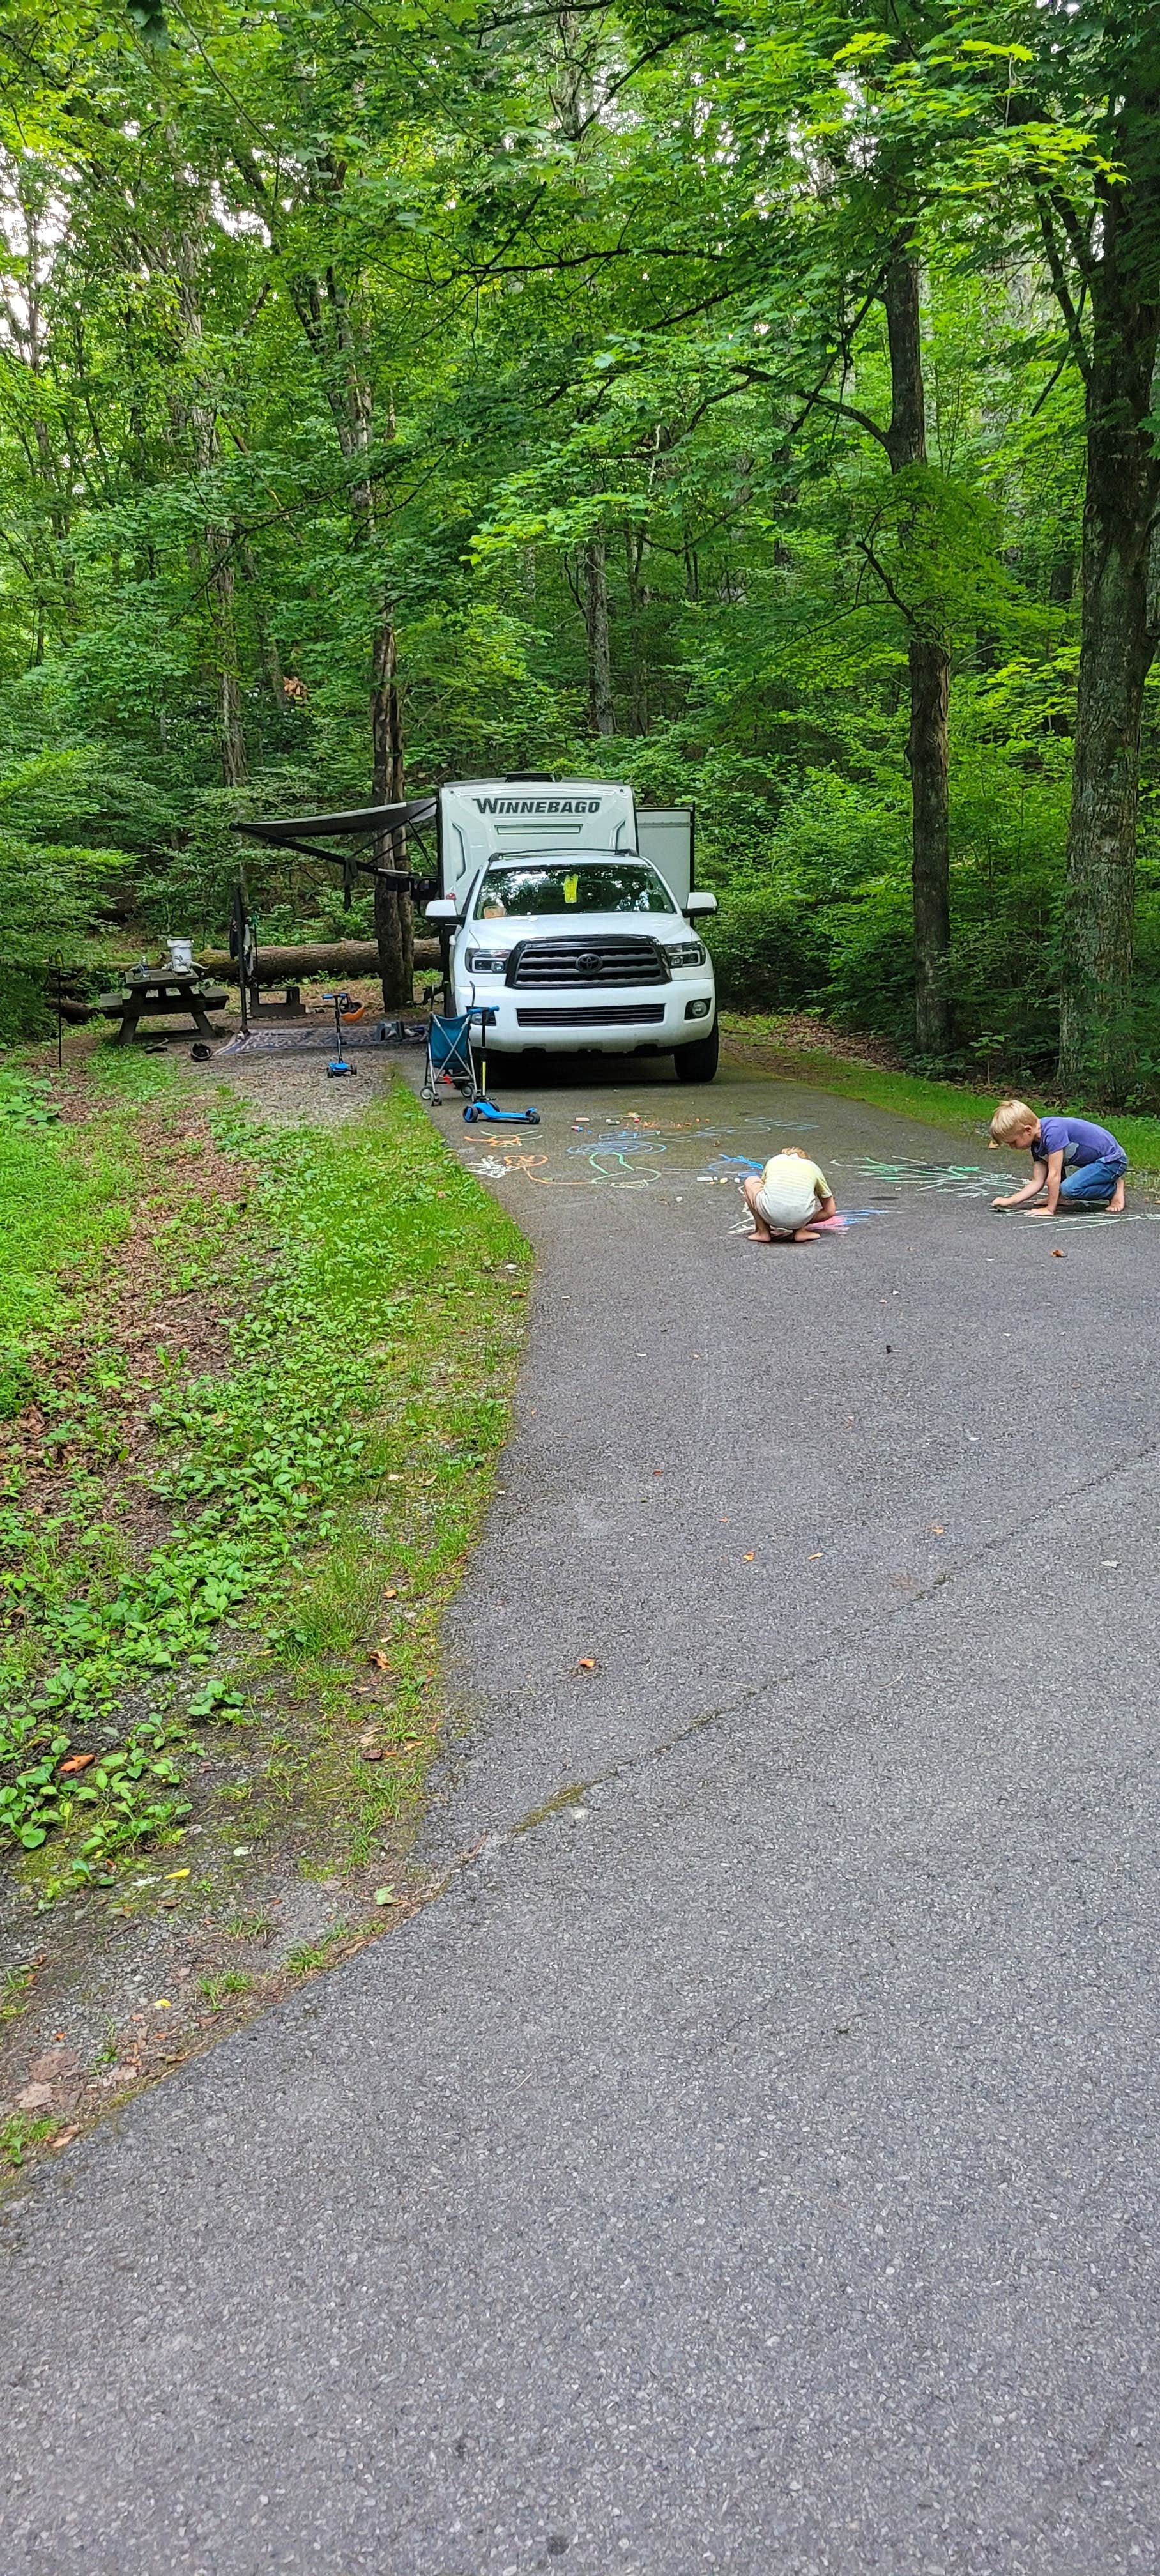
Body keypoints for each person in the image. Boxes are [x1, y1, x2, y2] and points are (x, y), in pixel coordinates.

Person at [989, 1098, 1127, 1215]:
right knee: (1060, 1182)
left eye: (1013, 1142)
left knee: (1069, 1189)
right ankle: (1060, 1197)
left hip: (1113, 1161)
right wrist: (1010, 1201)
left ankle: (1113, 1189)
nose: (1013, 1147)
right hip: (1096, 1163)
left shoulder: (1053, 1132)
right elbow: (1037, 1181)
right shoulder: (1036, 1144)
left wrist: (1050, 1208)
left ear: (1028, 1130)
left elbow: (1054, 1176)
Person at [743, 1144, 838, 1243]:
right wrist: (799, 1222)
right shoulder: (813, 1168)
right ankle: (801, 1231)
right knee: (803, 1195)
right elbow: (830, 1210)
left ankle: (763, 1231)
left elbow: (764, 1189)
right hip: (801, 1217)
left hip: (770, 1214)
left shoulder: (775, 1160)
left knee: (751, 1181)